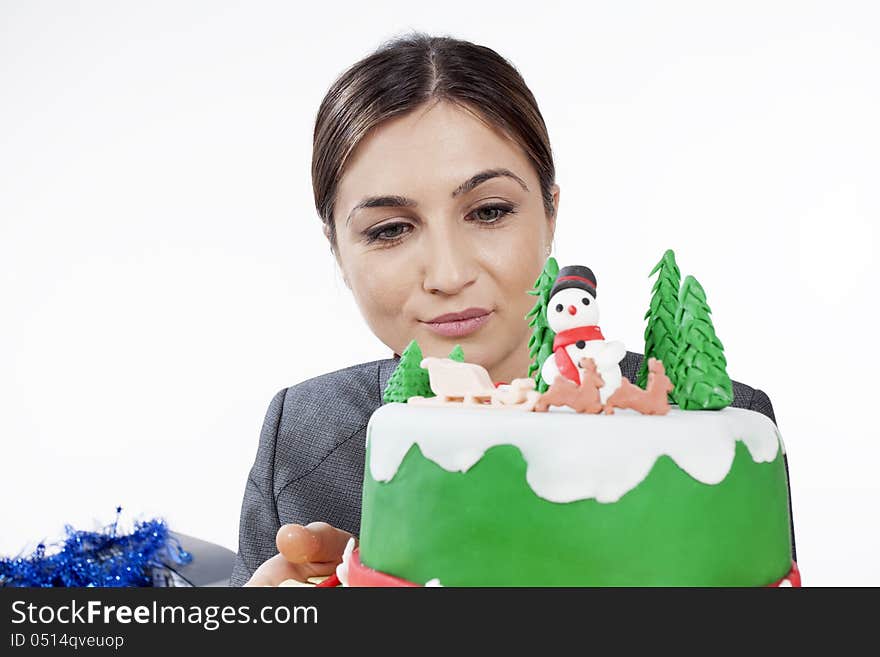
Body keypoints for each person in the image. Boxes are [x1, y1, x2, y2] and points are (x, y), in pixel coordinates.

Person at [231, 32, 795, 587]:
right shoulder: (305, 434)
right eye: (390, 229)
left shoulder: (720, 434)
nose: (449, 274)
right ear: (336, 248)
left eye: (490, 211)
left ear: (550, 214)